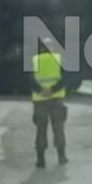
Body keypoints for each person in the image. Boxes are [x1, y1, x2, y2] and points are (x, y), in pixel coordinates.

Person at [31, 38, 69, 169]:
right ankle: (62, 157)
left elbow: (28, 79)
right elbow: (66, 78)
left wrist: (40, 90)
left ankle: (40, 160)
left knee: (40, 130)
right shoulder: (60, 60)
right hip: (56, 99)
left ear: (41, 48)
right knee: (58, 128)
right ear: (52, 47)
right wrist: (53, 90)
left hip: (39, 100)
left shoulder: (34, 61)